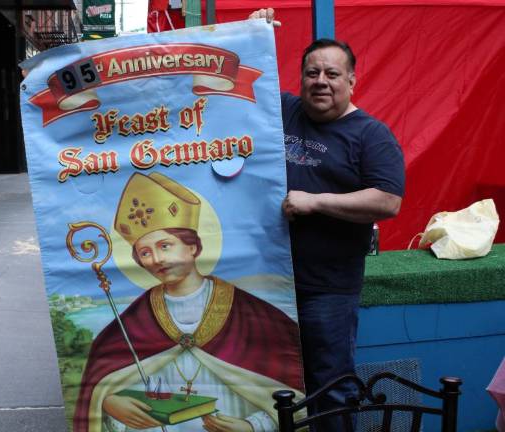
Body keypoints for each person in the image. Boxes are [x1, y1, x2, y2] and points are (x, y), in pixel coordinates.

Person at [249, 9, 405, 430]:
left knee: (330, 387)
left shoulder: (370, 135)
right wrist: (251, 30)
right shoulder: (284, 110)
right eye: (312, 72)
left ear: (352, 81)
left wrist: (316, 202)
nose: (321, 81)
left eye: (332, 74)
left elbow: (388, 201)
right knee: (263, 381)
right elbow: (236, 85)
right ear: (300, 78)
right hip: (266, 282)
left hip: (327, 290)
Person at [73, 172, 304, 432]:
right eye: (145, 252)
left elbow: (291, 391)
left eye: (165, 245)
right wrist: (109, 402)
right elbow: (102, 384)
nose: (157, 259)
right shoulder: (135, 321)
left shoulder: (249, 313)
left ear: (192, 247)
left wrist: (254, 426)